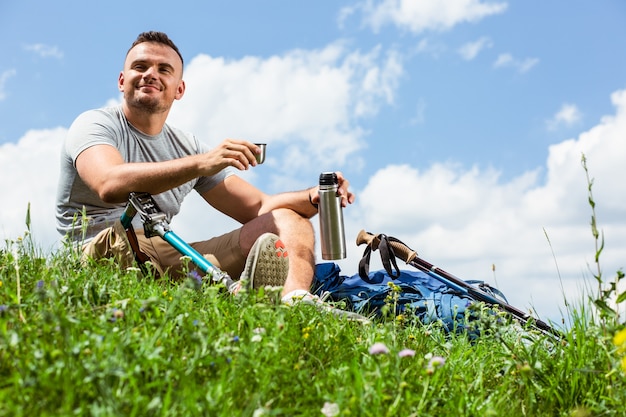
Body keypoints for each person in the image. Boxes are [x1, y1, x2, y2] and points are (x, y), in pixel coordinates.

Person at [55, 31, 366, 321]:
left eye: (164, 69)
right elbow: (109, 183)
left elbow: (258, 207)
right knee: (124, 243)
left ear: (179, 89)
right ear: (122, 81)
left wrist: (312, 197)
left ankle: (294, 303)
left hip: (164, 250)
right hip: (104, 249)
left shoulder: (186, 145)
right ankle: (242, 292)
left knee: (288, 219)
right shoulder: (95, 124)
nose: (151, 74)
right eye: (140, 66)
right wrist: (202, 163)